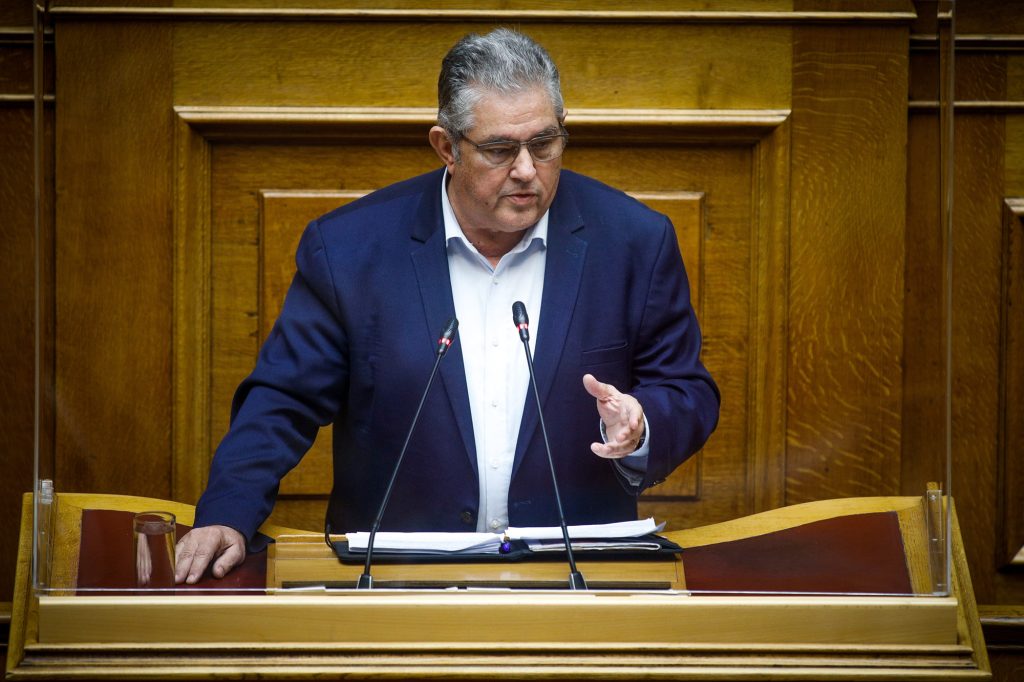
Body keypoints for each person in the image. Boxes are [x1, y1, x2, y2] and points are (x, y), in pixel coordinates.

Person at [174, 27, 720, 584]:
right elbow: (283, 399)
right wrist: (228, 512)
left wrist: (642, 423)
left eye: (545, 144)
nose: (526, 169)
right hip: (396, 580)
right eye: (500, 150)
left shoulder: (634, 242)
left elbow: (686, 389)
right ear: (446, 148)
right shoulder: (349, 250)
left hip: (574, 580)